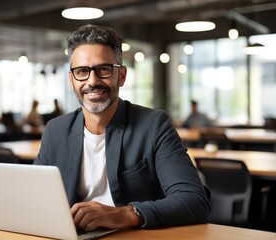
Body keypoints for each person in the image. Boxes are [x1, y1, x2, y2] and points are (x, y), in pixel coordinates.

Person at [34, 24, 210, 232]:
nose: (92, 81)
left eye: (104, 70)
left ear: (122, 76)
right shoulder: (56, 130)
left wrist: (127, 213)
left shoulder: (153, 125)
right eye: (82, 71)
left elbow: (195, 201)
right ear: (72, 80)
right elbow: (34, 196)